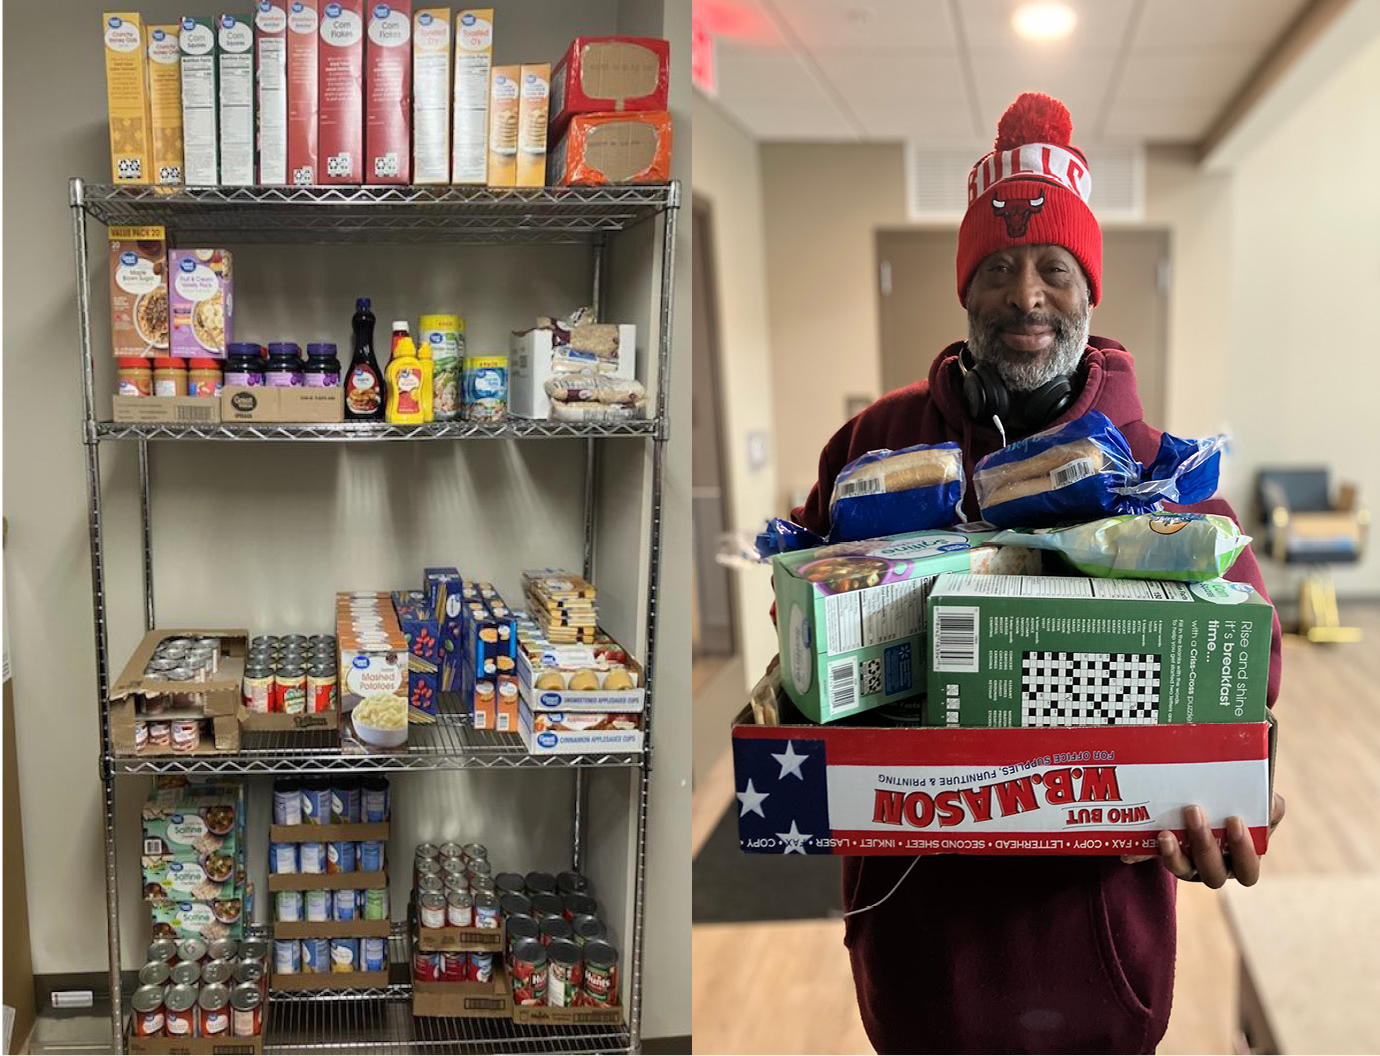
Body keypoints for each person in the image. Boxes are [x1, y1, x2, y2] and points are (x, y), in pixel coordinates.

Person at [785, 93, 1286, 1054]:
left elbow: (1246, 672)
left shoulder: (1152, 475)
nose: (1027, 297)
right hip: (915, 939)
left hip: (1093, 950)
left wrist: (1241, 791)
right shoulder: (874, 445)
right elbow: (800, 637)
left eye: (1053, 267)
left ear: (1088, 288)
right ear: (965, 288)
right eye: (1000, 270)